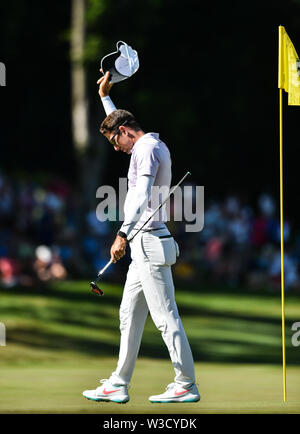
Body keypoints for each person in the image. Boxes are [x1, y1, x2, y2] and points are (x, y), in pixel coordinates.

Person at [82, 71, 200, 404]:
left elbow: (140, 195)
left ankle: (185, 383)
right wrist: (106, 97)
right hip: (143, 244)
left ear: (125, 133)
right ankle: (118, 383)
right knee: (129, 314)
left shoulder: (144, 150)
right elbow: (117, 121)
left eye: (115, 141)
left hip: (147, 241)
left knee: (165, 316)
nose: (116, 149)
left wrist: (121, 233)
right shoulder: (147, 143)